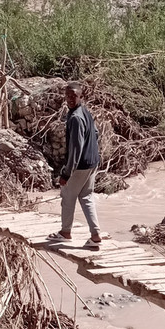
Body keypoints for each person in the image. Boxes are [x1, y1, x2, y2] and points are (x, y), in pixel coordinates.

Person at [48, 83, 102, 249]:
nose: (70, 99)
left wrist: (66, 173)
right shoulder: (85, 112)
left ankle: (65, 232)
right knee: (86, 196)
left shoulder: (75, 118)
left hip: (81, 165)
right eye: (68, 96)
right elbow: (96, 133)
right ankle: (95, 234)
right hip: (92, 161)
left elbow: (76, 149)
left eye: (74, 96)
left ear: (81, 97)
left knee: (67, 196)